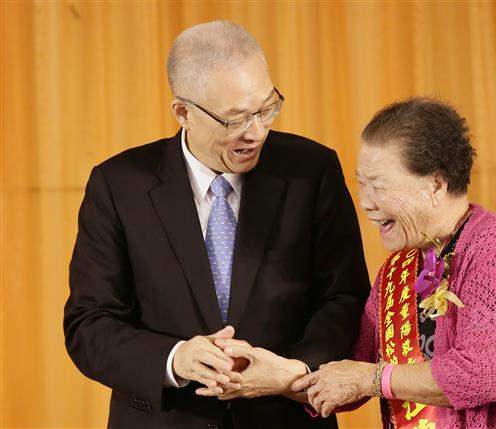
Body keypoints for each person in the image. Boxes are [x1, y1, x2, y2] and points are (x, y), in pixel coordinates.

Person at [64, 21, 369, 429]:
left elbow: (346, 297)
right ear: (183, 113)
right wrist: (175, 359)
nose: (256, 132)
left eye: (266, 108)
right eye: (234, 119)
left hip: (285, 417)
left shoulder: (311, 171)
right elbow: (90, 324)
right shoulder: (119, 185)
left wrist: (293, 371)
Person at [292, 97, 496, 428]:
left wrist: (370, 378)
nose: (365, 203)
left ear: (435, 185)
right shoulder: (397, 268)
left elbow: (483, 375)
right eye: (362, 184)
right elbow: (351, 371)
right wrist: (277, 375)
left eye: (378, 186)